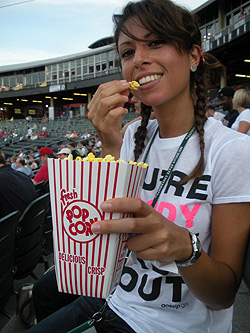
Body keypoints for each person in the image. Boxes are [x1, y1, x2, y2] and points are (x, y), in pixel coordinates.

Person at [29, 1, 250, 332]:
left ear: (193, 56)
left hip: (171, 324)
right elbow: (106, 226)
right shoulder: (132, 134)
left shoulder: (232, 150)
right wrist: (108, 141)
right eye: (128, 51)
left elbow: (222, 295)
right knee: (45, 293)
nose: (139, 59)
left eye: (156, 42)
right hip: (114, 296)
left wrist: (185, 249)